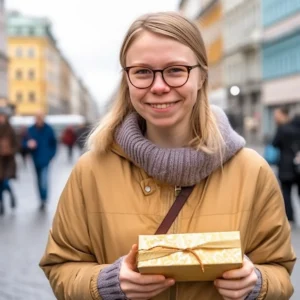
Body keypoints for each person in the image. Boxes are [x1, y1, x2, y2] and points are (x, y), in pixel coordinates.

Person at [40, 12, 296, 300]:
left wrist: (256, 283)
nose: (159, 86)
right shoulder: (91, 171)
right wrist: (106, 283)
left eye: (175, 70)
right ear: (127, 79)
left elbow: (279, 271)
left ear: (201, 77)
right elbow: (60, 266)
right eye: (142, 72)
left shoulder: (252, 171)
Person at [272, 107, 300, 226]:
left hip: (285, 165)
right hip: (298, 164)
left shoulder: (282, 129)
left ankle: (291, 218)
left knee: (287, 193)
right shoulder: (297, 127)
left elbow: (274, 143)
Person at [24, 111, 57, 211]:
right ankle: (41, 198)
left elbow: (54, 143)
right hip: (35, 158)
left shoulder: (49, 129)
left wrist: (51, 155)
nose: (38, 119)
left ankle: (44, 198)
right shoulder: (30, 129)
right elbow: (23, 142)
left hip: (46, 159)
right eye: (37, 117)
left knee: (44, 180)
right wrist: (28, 144)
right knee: (38, 180)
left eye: (40, 117)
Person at [0, 110, 18, 215]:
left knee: (5, 182)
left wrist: (11, 150)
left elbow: (16, 144)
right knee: (0, 184)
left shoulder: (10, 129)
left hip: (8, 161)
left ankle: (11, 195)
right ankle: (2, 205)